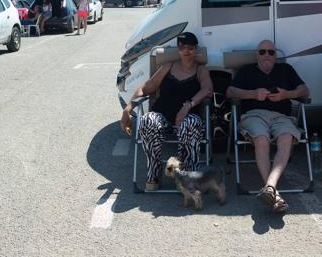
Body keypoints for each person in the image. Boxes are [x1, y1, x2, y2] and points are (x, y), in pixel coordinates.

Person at [119, 32, 213, 191]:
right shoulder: (167, 67)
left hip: (188, 119)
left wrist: (187, 106)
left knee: (190, 123)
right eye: (182, 47)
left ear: (195, 49)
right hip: (163, 117)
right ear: (178, 49)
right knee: (148, 120)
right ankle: (153, 174)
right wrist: (128, 109)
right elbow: (146, 88)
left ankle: (187, 176)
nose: (186, 50)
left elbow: (208, 89)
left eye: (190, 47)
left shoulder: (201, 70)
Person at [226, 40, 309, 213]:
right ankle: (273, 190)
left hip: (282, 116)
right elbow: (230, 92)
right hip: (254, 115)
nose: (266, 55)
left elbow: (304, 90)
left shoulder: (286, 70)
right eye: (262, 52)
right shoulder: (247, 70)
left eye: (271, 52)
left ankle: (270, 187)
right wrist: (253, 94)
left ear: (275, 56)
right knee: (262, 140)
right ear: (257, 54)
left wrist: (287, 94)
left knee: (286, 138)